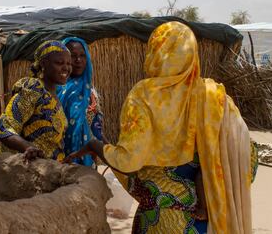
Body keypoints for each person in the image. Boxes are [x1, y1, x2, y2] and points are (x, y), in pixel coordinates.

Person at [64, 21, 258, 233]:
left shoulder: (144, 96)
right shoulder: (214, 97)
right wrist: (212, 187)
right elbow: (247, 157)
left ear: (156, 51)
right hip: (205, 221)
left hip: (159, 218)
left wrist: (95, 145)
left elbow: (128, 161)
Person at [0, 40, 72, 161]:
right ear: (43, 64)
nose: (66, 68)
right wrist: (27, 146)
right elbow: (3, 128)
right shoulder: (34, 89)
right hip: (25, 172)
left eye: (69, 63)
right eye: (59, 62)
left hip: (49, 171)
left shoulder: (54, 95)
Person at [57, 37, 103, 167]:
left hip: (87, 157)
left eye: (82, 56)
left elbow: (97, 128)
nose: (78, 60)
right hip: (60, 157)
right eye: (73, 56)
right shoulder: (54, 91)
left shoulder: (90, 93)